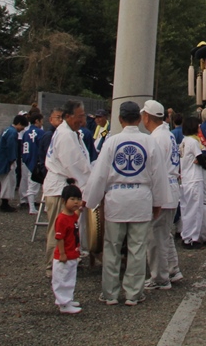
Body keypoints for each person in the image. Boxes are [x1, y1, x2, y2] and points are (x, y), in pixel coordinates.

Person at [84, 101, 168, 307]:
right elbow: (159, 175)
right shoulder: (149, 142)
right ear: (139, 119)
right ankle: (133, 293)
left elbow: (100, 174)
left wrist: (91, 200)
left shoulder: (112, 142)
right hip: (141, 197)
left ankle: (110, 292)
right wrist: (159, 202)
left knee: (112, 246)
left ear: (120, 119)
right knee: (137, 248)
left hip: (116, 198)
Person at [42, 100, 96, 275]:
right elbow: (75, 164)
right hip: (60, 189)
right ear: (68, 116)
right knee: (58, 229)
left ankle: (68, 260)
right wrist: (89, 186)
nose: (82, 119)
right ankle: (53, 265)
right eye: (79, 116)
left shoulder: (72, 133)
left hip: (67, 185)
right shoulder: (65, 134)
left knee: (70, 228)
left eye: (83, 116)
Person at [142, 99, 184, 291]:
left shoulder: (156, 138)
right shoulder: (166, 135)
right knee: (164, 233)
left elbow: (153, 168)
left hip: (162, 188)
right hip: (172, 187)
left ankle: (160, 277)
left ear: (146, 117)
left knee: (156, 236)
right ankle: (172, 269)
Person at [52, 182, 85, 314]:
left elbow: (78, 211)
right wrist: (62, 253)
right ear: (64, 201)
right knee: (62, 278)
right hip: (64, 254)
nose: (76, 202)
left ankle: (68, 299)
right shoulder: (61, 219)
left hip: (73, 252)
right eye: (72, 199)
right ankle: (63, 303)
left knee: (70, 277)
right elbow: (59, 237)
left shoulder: (73, 216)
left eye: (78, 199)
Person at [0, 114, 27, 212]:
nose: (22, 129)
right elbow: (11, 147)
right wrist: (12, 159)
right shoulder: (12, 132)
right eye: (22, 126)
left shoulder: (7, 130)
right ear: (18, 124)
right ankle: (4, 204)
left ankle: (5, 202)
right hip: (7, 160)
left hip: (1, 159)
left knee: (6, 181)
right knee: (8, 182)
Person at [179, 113, 205, 248]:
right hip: (194, 178)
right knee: (195, 209)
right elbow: (200, 158)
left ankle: (186, 235)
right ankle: (193, 238)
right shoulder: (193, 142)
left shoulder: (183, 141)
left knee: (186, 209)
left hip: (185, 178)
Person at [21, 114, 44, 214]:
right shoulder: (41, 132)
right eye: (41, 121)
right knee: (37, 185)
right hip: (37, 162)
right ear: (37, 121)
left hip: (27, 161)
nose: (42, 123)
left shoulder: (26, 133)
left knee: (31, 184)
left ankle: (34, 206)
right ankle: (32, 208)